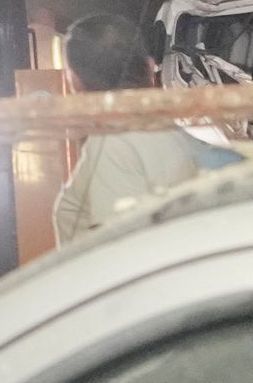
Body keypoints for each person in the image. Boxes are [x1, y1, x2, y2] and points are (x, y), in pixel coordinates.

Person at [52, 13, 236, 245]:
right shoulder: (169, 132)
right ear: (150, 67)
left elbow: (125, 251)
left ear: (75, 82)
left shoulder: (114, 141)